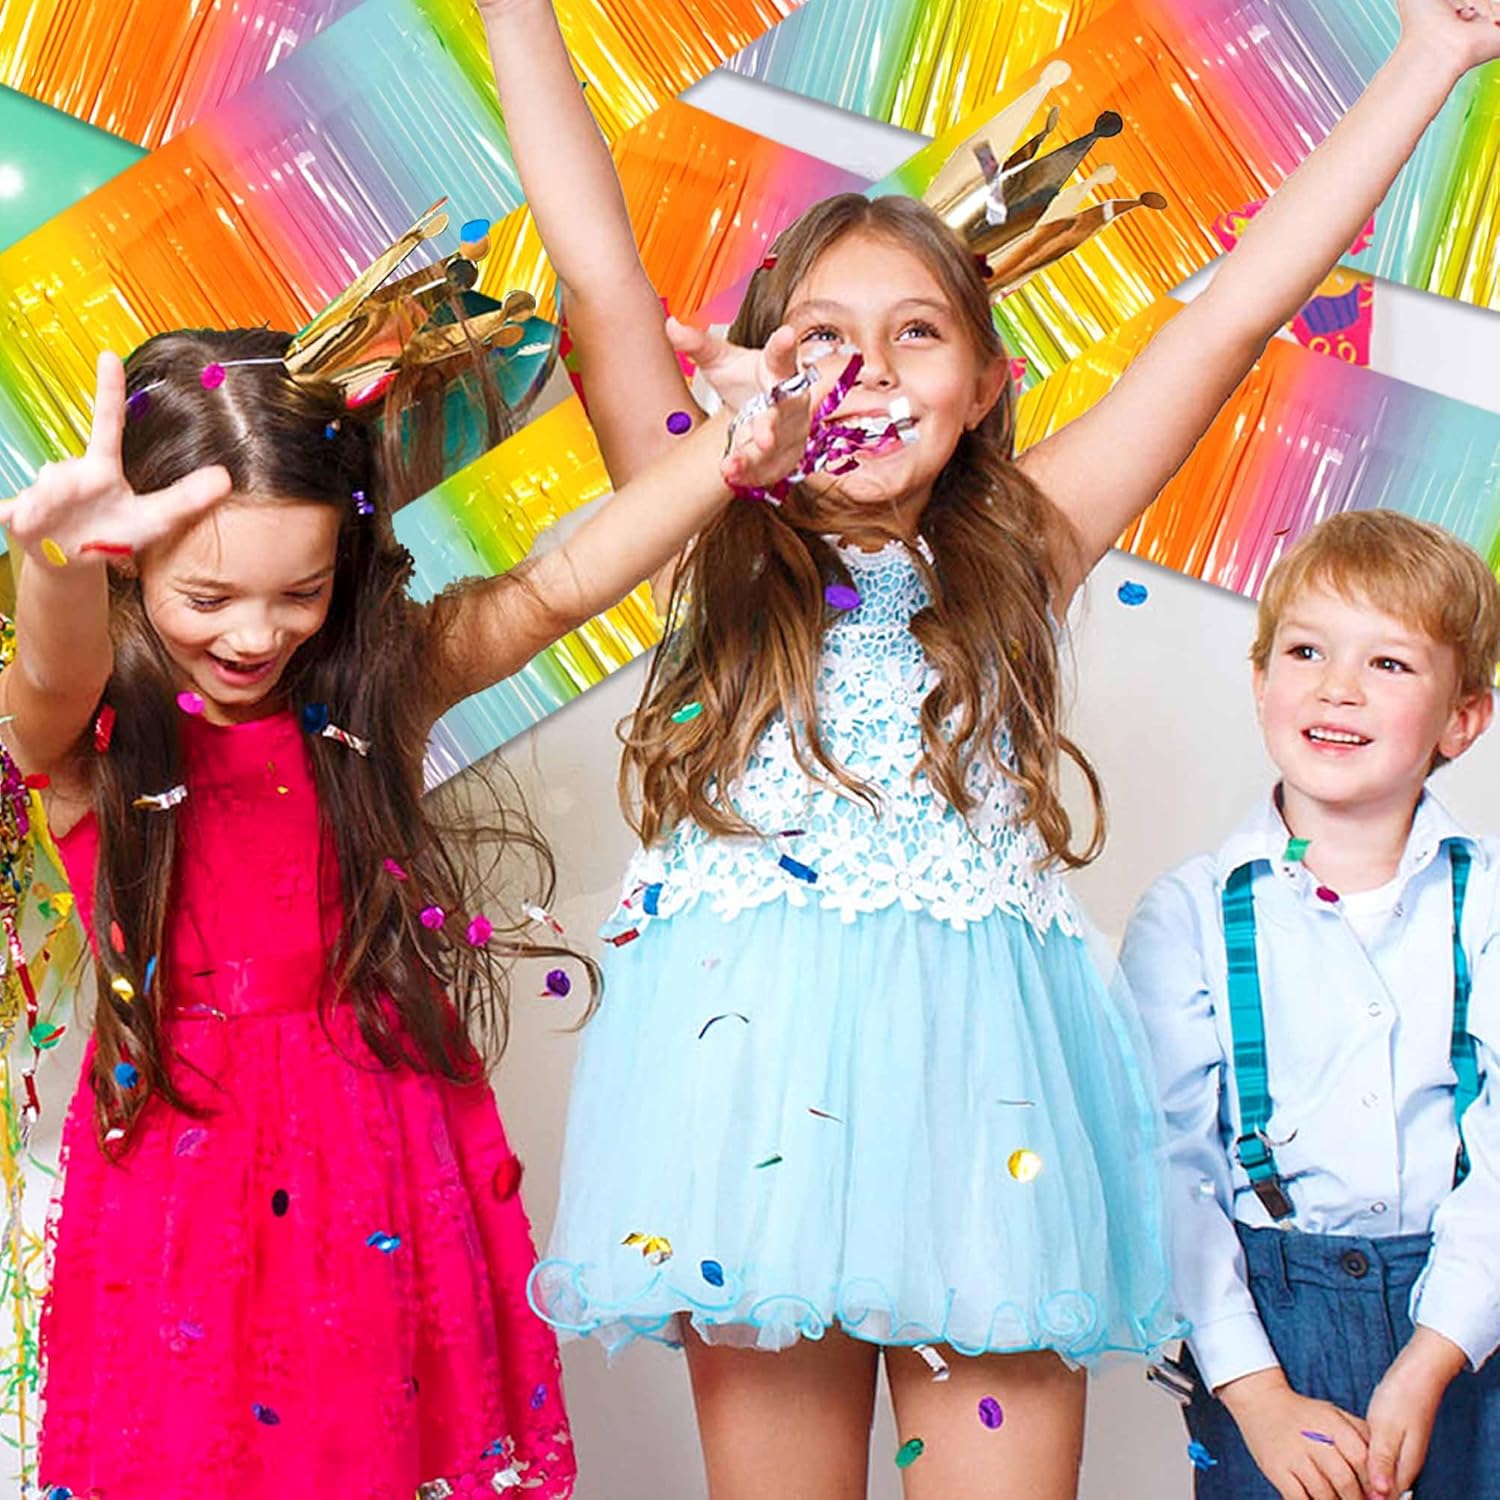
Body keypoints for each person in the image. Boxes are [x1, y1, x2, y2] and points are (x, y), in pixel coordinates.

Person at [477, 0, 1500, 1493]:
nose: (871, 369)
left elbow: (1226, 318)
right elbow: (601, 274)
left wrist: (1431, 56)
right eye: (825, 337)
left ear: (987, 382)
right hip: (749, 1118)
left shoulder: (1025, 547)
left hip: (987, 1124)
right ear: (761, 368)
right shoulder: (708, 524)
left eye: (918, 333)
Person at [0, 307, 814, 1496]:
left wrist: (733, 451)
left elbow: (555, 589)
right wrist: (57, 564)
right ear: (132, 564)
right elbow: (49, 669)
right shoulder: (86, 739)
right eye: (209, 597)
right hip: (182, 1173)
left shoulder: (371, 691)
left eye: (300, 591)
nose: (256, 634)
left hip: (377, 1145)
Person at [1121, 511, 1500, 1500]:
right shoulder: (1188, 915)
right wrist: (1256, 1397)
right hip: (1265, 1341)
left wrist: (1432, 1358)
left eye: (1389, 663)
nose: (1339, 686)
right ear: (1260, 684)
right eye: (1306, 651)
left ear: (1463, 719)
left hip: (1475, 1317)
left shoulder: (1489, 904)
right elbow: (1172, 1171)